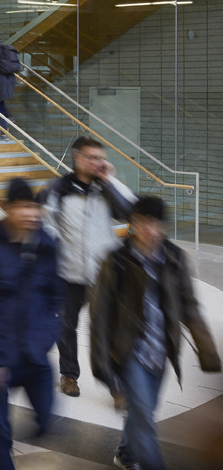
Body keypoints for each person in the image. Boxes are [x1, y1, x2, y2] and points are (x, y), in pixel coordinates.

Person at [90, 195, 220, 470]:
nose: (149, 230)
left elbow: (189, 306)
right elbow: (99, 314)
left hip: (160, 351)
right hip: (128, 351)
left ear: (162, 226)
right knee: (144, 419)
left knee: (143, 411)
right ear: (133, 224)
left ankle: (125, 453)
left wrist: (207, 349)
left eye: (155, 223)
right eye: (142, 222)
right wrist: (100, 360)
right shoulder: (117, 261)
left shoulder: (173, 259)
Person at [0, 177, 61, 470]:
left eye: (34, 207)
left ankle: (41, 422)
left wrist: (46, 336)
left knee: (46, 415)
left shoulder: (47, 244)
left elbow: (56, 298)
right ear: (9, 209)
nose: (31, 213)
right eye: (23, 207)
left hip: (35, 350)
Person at [42, 135, 136, 398]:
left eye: (101, 159)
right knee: (65, 326)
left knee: (106, 330)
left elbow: (132, 212)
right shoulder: (60, 189)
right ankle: (69, 375)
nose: (98, 163)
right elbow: (47, 225)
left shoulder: (106, 190)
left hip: (101, 275)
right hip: (68, 273)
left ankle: (114, 383)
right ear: (78, 158)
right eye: (93, 158)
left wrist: (110, 180)